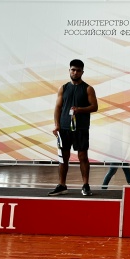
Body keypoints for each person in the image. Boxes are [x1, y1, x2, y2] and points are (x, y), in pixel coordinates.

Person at [49, 59, 98, 196]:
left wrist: (80, 109)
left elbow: (94, 107)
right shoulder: (63, 88)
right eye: (73, 70)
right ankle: (62, 185)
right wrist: (57, 125)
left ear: (82, 72)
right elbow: (58, 107)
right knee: (63, 157)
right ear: (69, 71)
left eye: (78, 70)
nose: (75, 72)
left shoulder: (88, 88)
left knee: (83, 156)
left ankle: (85, 185)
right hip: (64, 128)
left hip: (81, 128)